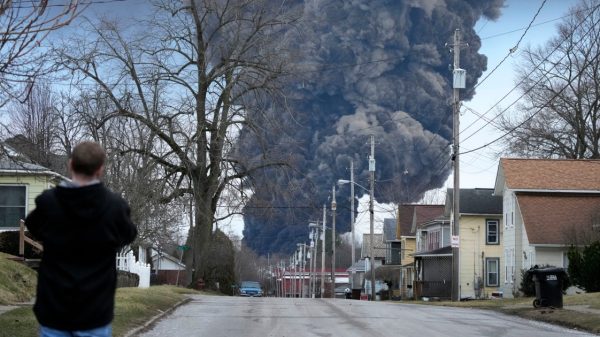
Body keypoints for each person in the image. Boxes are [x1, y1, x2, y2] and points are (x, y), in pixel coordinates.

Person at [25, 141, 137, 337]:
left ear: (70, 164)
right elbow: (128, 235)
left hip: (54, 310)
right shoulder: (115, 207)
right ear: (100, 169)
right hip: (95, 312)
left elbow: (33, 226)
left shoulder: (48, 203)